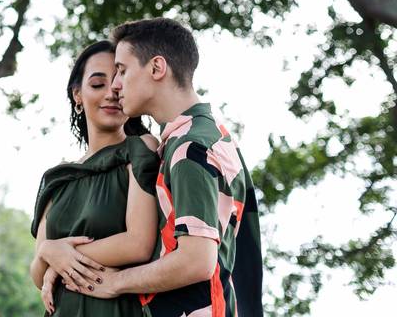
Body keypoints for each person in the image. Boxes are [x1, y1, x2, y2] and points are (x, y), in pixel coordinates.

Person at [65, 18, 263, 317]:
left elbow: (196, 260)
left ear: (157, 68)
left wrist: (116, 282)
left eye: (122, 70)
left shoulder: (189, 148)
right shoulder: (206, 136)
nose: (116, 85)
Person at [30, 40, 160, 316]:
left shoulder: (141, 149)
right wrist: (49, 252)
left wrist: (59, 257)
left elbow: (139, 243)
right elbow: (37, 273)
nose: (112, 93)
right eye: (98, 84)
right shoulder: (57, 178)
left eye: (119, 82)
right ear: (77, 94)